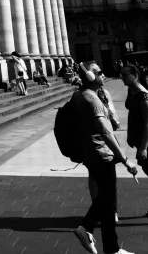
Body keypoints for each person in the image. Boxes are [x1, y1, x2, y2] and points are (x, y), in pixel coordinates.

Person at [71, 60, 136, 254]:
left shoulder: (78, 95)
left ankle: (112, 249)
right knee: (106, 198)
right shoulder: (92, 99)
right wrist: (125, 160)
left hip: (90, 153)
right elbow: (106, 133)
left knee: (107, 205)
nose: (103, 75)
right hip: (101, 155)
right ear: (90, 77)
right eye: (99, 72)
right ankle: (86, 227)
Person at [121, 64, 148, 185]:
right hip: (137, 136)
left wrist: (143, 148)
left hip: (145, 139)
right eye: (121, 75)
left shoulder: (143, 94)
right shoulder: (131, 89)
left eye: (125, 75)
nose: (122, 77)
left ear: (135, 75)